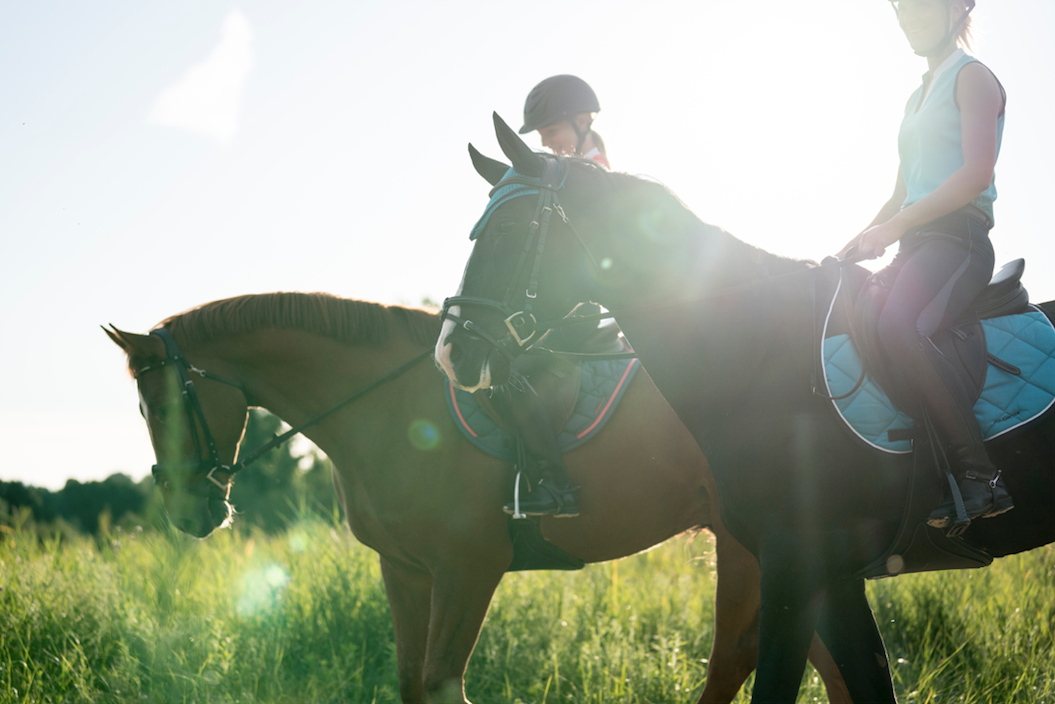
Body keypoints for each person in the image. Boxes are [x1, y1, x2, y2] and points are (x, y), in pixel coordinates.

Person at [837, 0, 1012, 528]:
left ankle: (981, 476)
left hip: (959, 241)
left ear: (958, 8)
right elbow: (899, 197)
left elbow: (976, 175)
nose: (906, 15)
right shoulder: (916, 98)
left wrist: (897, 228)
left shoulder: (973, 77)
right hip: (916, 243)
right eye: (900, 7)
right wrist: (844, 251)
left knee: (900, 326)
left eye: (918, 5)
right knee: (857, 315)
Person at [520, 74, 610, 169]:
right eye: (541, 135)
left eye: (551, 132)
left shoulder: (594, 175)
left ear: (582, 122)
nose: (544, 143)